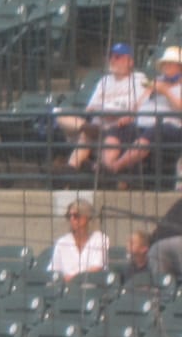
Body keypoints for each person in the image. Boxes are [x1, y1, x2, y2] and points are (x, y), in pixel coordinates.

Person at [58, 41, 148, 172]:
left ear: (130, 62)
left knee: (85, 136)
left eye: (118, 57)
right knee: (59, 113)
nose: (113, 60)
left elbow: (132, 107)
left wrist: (106, 107)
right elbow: (90, 108)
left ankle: (71, 168)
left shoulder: (139, 80)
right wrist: (106, 108)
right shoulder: (104, 80)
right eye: (111, 56)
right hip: (96, 124)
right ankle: (89, 132)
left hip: (117, 127)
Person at [114, 45, 182, 176]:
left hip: (170, 127)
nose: (165, 67)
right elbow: (138, 106)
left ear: (179, 66)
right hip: (143, 122)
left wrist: (166, 92)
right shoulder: (157, 82)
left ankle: (115, 168)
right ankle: (111, 167)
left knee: (153, 132)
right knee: (118, 129)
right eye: (164, 64)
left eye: (170, 64)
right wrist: (131, 115)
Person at [47, 200, 109, 282]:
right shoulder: (62, 242)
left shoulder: (100, 239)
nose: (72, 219)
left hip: (92, 287)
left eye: (76, 216)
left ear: (87, 218)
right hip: (67, 288)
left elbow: (97, 268)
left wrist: (73, 278)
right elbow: (53, 270)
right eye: (69, 216)